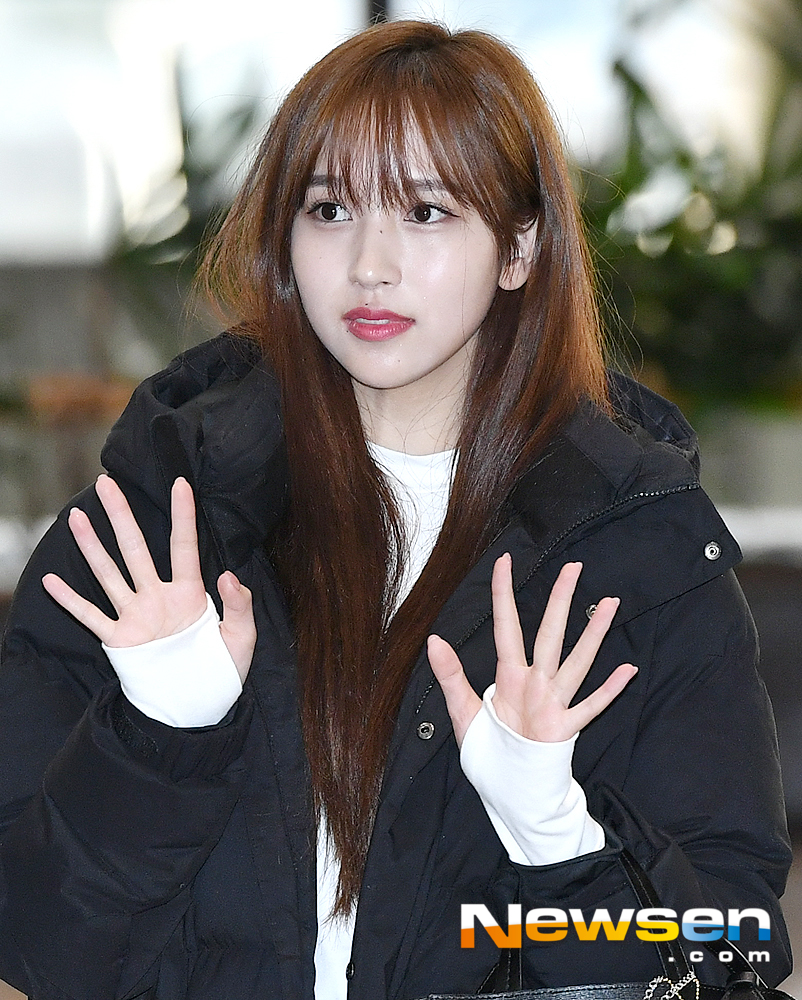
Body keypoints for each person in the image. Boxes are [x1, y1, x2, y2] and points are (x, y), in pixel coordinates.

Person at [0, 19, 792, 1000]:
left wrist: (555, 834)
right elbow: (36, 943)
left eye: (425, 211)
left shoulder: (636, 550)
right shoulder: (159, 533)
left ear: (518, 248)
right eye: (329, 209)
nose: (370, 263)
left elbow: (733, 952)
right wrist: (159, 732)